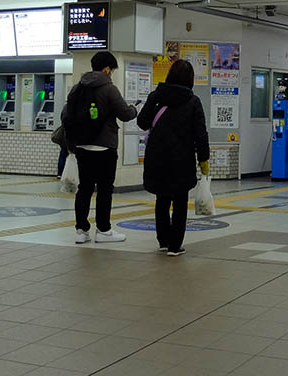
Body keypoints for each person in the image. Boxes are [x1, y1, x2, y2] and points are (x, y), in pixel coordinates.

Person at [137, 59, 209, 256]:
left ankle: (163, 240)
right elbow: (200, 134)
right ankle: (175, 246)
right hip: (182, 159)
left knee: (162, 199)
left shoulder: (156, 96)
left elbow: (142, 122)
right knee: (179, 201)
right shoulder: (193, 102)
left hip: (157, 157)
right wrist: (204, 159)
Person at [66, 51, 137, 244]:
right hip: (104, 147)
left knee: (85, 188)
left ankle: (81, 231)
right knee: (105, 189)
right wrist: (134, 109)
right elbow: (124, 114)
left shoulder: (77, 88)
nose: (111, 74)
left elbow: (66, 114)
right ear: (107, 69)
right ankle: (103, 230)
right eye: (112, 70)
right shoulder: (109, 88)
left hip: (82, 146)